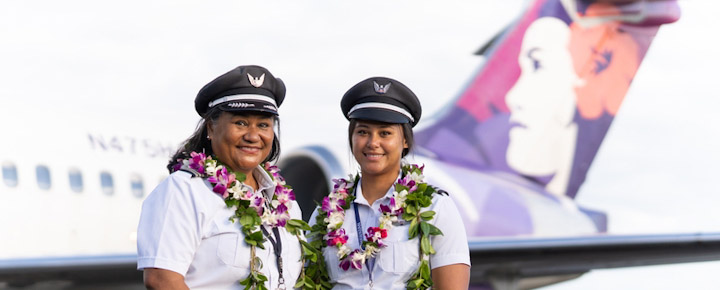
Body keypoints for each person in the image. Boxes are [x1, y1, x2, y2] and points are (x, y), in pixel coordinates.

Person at [137, 65, 306, 289]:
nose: (253, 136)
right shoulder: (184, 190)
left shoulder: (285, 203)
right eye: (241, 123)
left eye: (263, 125)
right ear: (211, 127)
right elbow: (162, 280)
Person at [305, 77, 470, 289]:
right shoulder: (325, 215)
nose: (373, 143)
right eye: (363, 132)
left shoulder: (434, 207)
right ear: (352, 138)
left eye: (385, 133)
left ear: (405, 141)